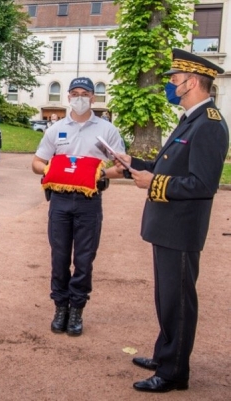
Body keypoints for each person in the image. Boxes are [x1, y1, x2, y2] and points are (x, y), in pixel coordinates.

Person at [114, 49, 228, 393]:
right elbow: (171, 165)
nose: (169, 85)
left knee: (178, 300)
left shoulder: (208, 124)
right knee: (167, 297)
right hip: (169, 225)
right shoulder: (190, 119)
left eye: (173, 80)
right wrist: (133, 161)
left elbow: (203, 184)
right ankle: (166, 354)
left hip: (181, 228)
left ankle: (175, 371)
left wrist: (154, 184)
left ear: (191, 82)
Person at [31, 77, 125, 336]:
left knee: (84, 258)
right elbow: (37, 162)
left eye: (85, 93)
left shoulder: (107, 130)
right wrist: (52, 169)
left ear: (93, 98)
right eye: (75, 93)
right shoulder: (56, 129)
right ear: (69, 97)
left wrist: (100, 175)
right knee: (59, 256)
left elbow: (121, 165)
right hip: (60, 201)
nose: (80, 97)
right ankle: (60, 306)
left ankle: (77, 309)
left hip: (89, 201)